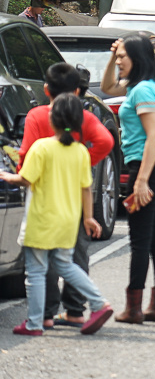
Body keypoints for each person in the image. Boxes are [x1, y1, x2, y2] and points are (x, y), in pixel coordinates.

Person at [0, 95, 113, 336]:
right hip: (68, 222)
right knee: (66, 266)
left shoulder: (41, 148)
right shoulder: (81, 152)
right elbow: (86, 187)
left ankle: (34, 323)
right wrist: (88, 218)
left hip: (41, 221)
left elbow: (26, 179)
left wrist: (7, 176)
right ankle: (99, 303)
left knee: (36, 272)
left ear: (53, 119)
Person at [101, 34, 155, 325]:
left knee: (140, 240)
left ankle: (134, 308)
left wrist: (141, 181)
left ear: (138, 59)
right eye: (118, 57)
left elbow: (153, 136)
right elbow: (107, 87)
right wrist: (111, 57)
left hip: (150, 169)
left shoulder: (143, 90)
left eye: (123, 57)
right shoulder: (144, 85)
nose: (119, 62)